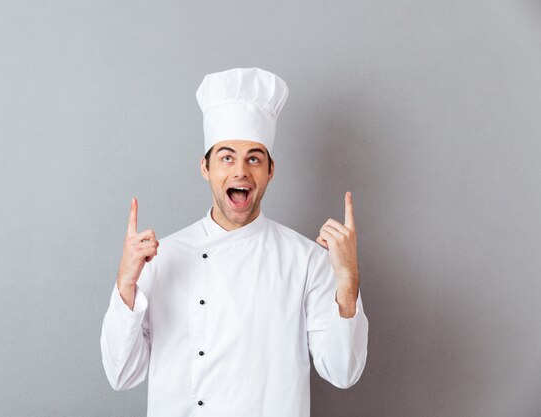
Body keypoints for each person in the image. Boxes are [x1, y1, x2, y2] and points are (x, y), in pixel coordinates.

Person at [100, 67, 368, 417]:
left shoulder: (306, 259)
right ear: (205, 168)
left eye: (253, 158)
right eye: (226, 157)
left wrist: (347, 284)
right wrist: (125, 284)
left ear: (270, 171)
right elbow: (122, 375)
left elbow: (343, 372)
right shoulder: (162, 257)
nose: (240, 170)